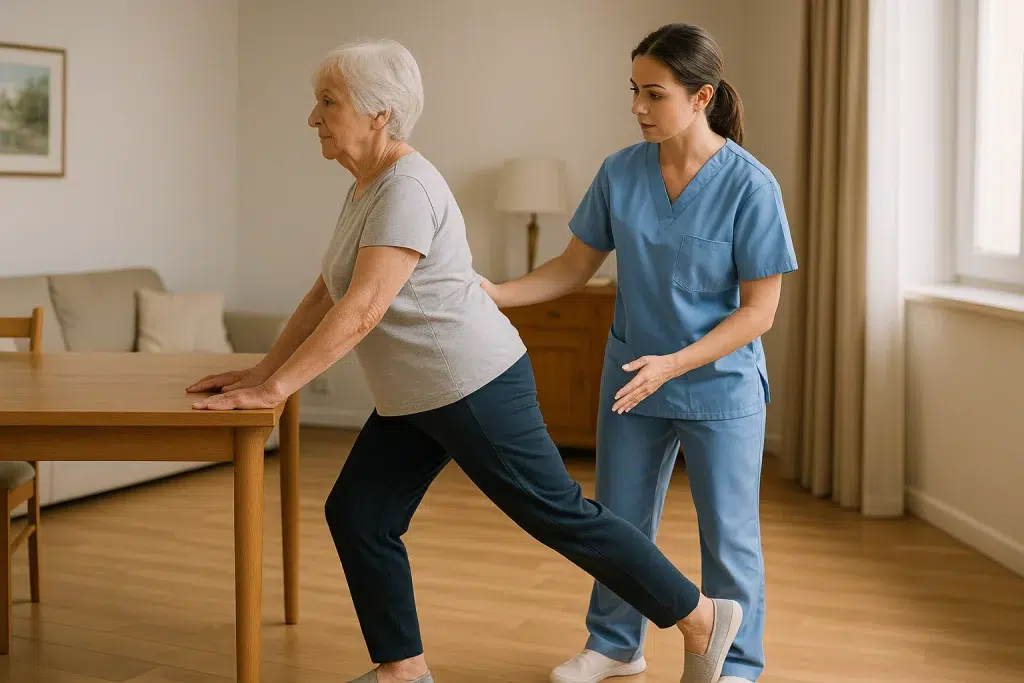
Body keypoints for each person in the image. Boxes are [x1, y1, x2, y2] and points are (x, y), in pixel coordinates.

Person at [185, 38, 744, 683]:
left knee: (556, 513)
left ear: (379, 116)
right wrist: (261, 375)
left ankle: (699, 617)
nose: (314, 117)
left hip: (470, 382)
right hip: (416, 393)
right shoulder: (368, 186)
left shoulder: (406, 188)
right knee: (361, 512)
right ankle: (403, 669)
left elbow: (363, 308)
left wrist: (277, 389)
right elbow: (326, 293)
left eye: (328, 102)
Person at [480, 23, 798, 683]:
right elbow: (572, 268)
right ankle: (616, 643)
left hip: (720, 386)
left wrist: (675, 363)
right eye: (634, 91)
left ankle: (736, 661)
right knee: (617, 521)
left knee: (728, 534)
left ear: (701, 96)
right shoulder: (619, 173)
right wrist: (498, 292)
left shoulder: (750, 186)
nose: (636, 107)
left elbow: (758, 311)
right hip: (632, 378)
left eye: (654, 94)